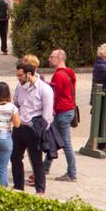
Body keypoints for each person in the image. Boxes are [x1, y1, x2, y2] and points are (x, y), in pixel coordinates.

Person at [11, 60, 54, 193]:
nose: (18, 78)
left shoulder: (44, 89)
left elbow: (47, 114)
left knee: (36, 161)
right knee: (15, 158)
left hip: (34, 128)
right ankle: (18, 188)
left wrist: (40, 131)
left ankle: (40, 191)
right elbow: (16, 102)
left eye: (20, 75)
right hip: (20, 126)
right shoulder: (19, 86)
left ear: (29, 74)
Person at [44, 48, 78, 182]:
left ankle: (72, 173)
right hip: (68, 110)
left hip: (62, 111)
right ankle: (45, 166)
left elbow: (54, 95)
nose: (49, 59)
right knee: (54, 139)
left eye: (51, 57)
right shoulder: (70, 73)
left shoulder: (58, 75)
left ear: (59, 59)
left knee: (65, 143)